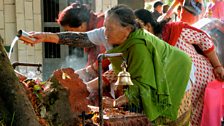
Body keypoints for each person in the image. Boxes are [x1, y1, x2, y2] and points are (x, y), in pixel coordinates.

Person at [23, 4, 193, 125]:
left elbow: (142, 86)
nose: (104, 32)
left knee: (170, 121)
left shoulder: (139, 46)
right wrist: (44, 36)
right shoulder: (110, 34)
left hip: (175, 75)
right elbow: (81, 38)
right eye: (104, 27)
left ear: (127, 29)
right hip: (148, 80)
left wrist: (114, 103)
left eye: (109, 28)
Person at [134, 8, 224, 125]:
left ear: (148, 25)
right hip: (183, 94)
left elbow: (204, 39)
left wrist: (217, 66)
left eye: (139, 29)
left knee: (206, 120)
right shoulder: (145, 46)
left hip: (205, 84)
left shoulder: (175, 29)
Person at [56, 2, 110, 82]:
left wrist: (87, 71)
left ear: (81, 25)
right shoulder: (90, 27)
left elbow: (107, 56)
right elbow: (92, 61)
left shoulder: (101, 24)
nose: (71, 34)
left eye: (71, 30)